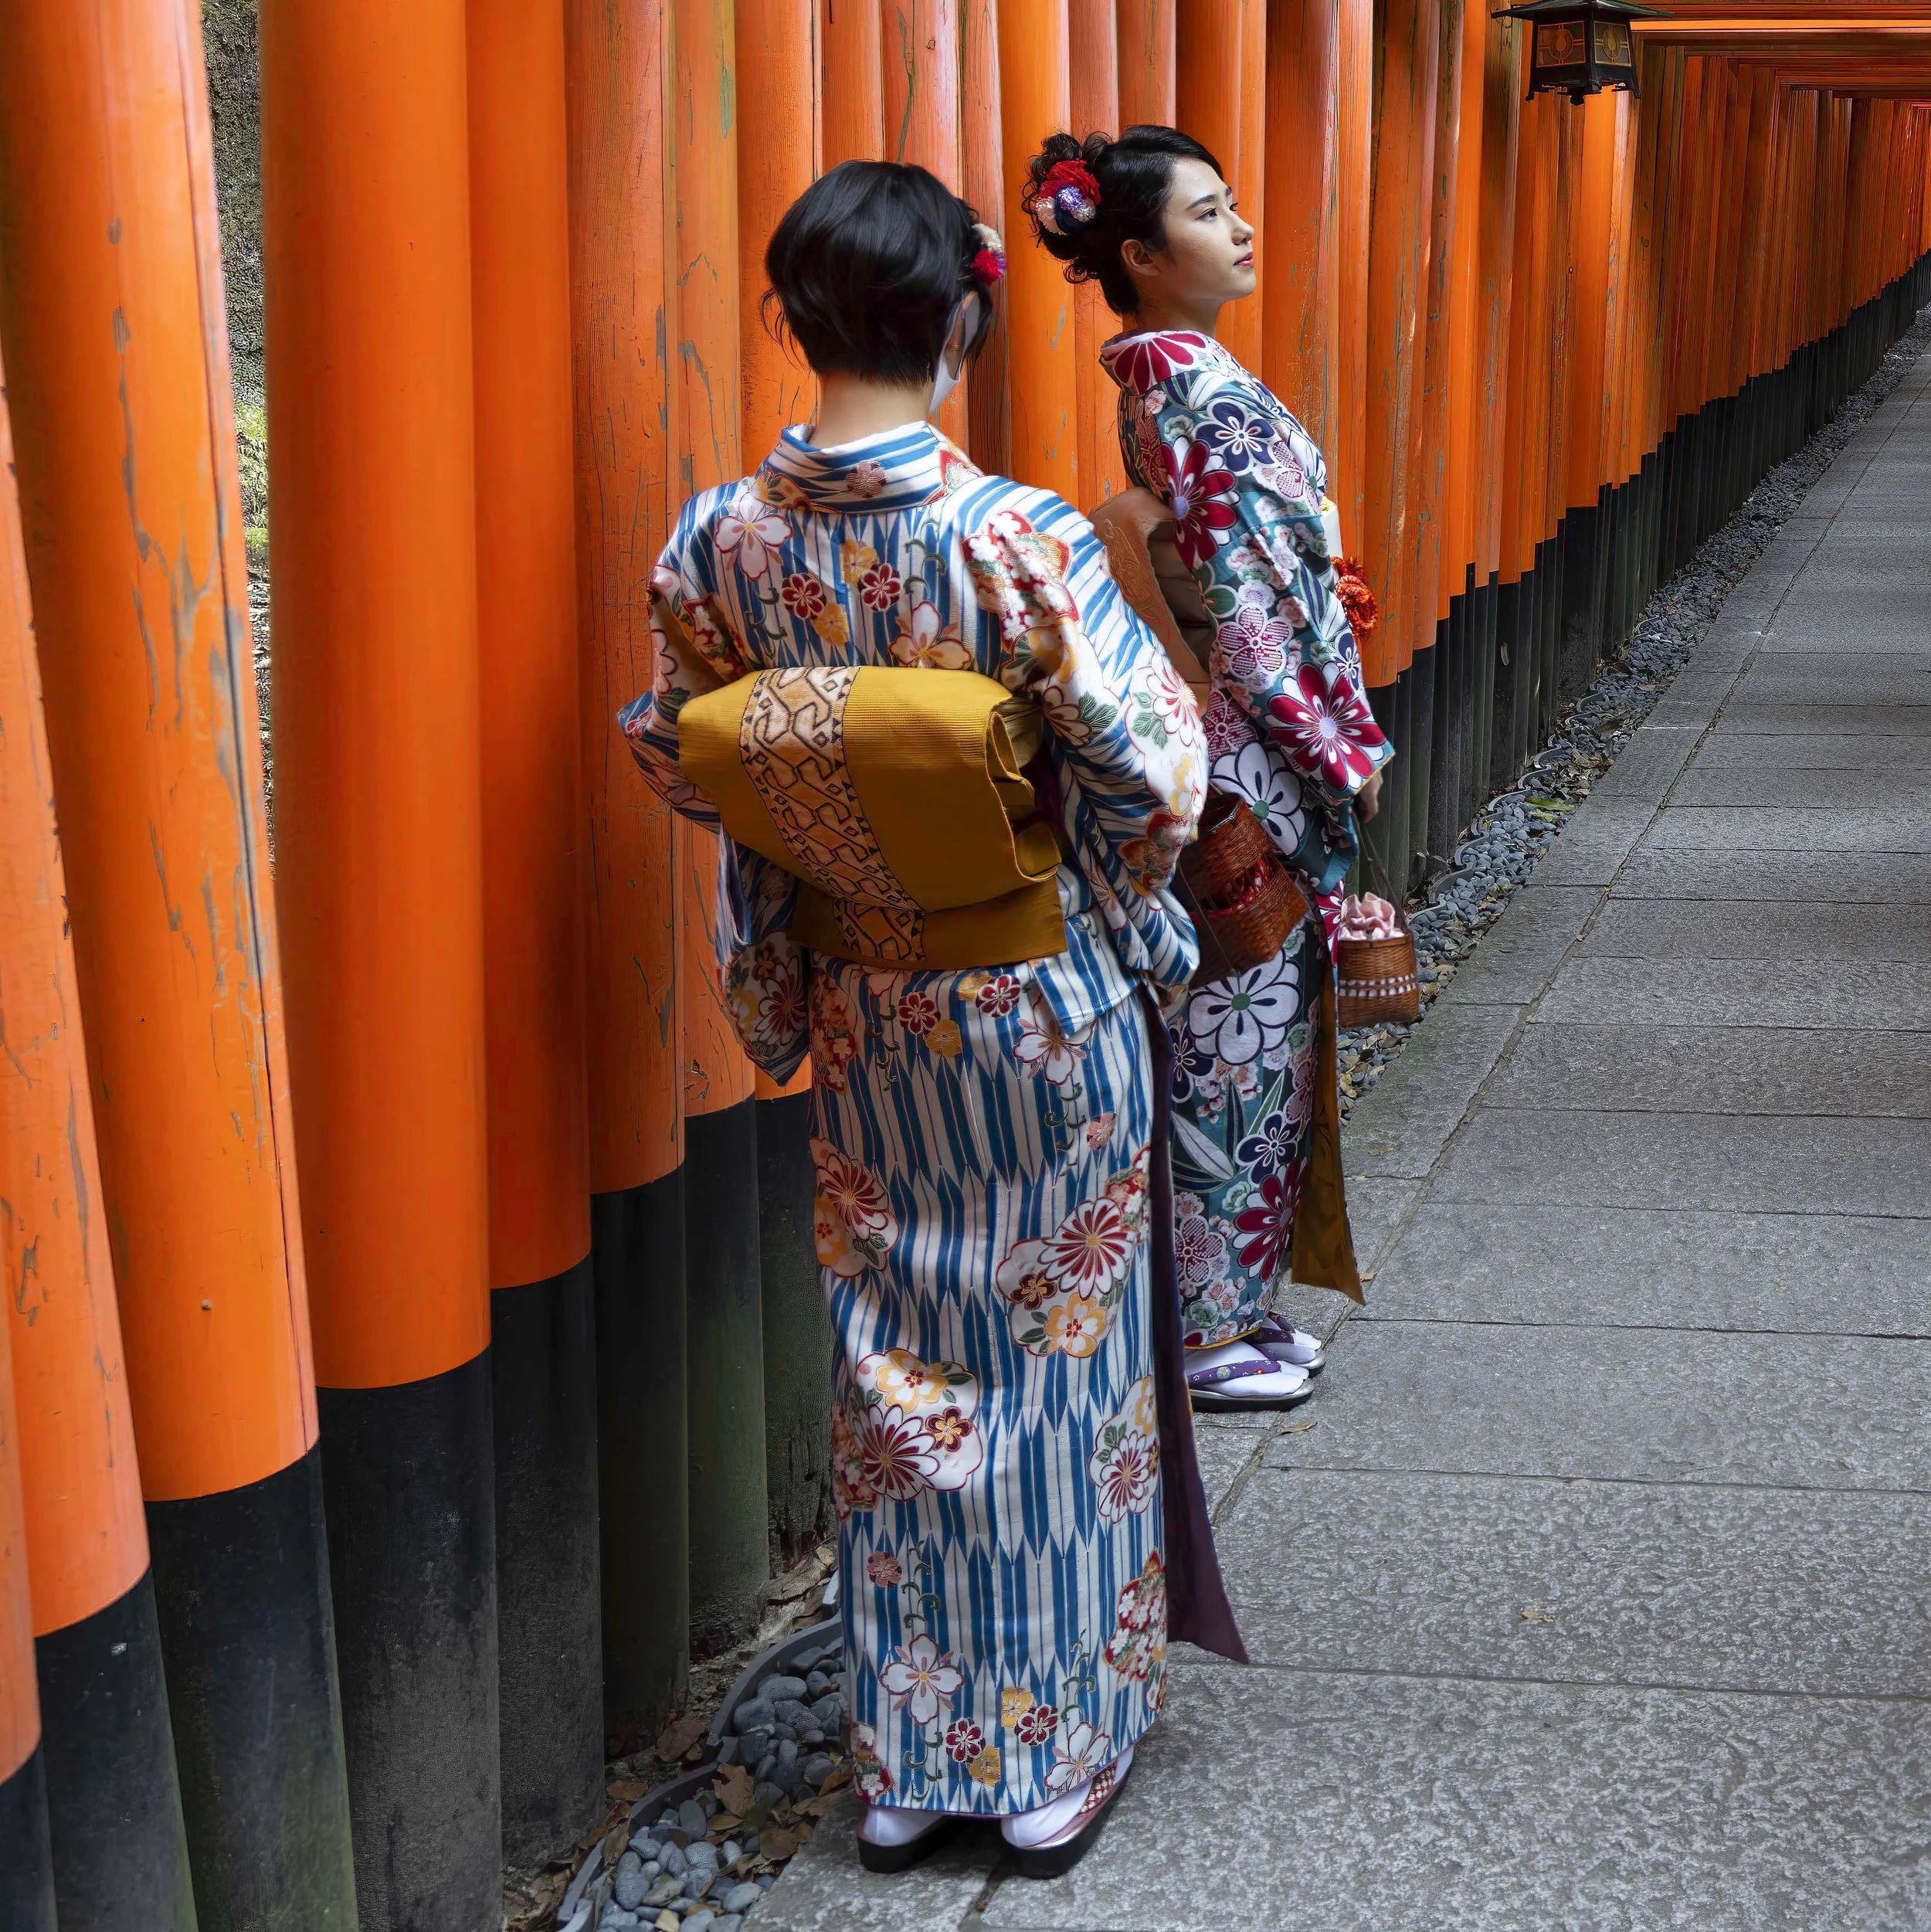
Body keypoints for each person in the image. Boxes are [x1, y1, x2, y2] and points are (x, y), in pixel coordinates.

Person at [619, 160, 1242, 1879]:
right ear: (963, 319)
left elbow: (686, 748)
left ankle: (911, 1754)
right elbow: (1154, 771)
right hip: (1034, 996)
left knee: (894, 1356)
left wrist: (835, 823)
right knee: (1059, 1367)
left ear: (791, 315)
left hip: (868, 1004)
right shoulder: (1011, 534)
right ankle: (1040, 1751)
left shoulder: (712, 538)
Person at [1023, 127, 1393, 1412]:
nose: (1240, 228)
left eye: (1233, 205)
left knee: (1257, 1027)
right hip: (1252, 750)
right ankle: (1205, 1331)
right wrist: (1338, 739)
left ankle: (1233, 1306)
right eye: (1207, 212)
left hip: (1237, 735)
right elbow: (1249, 604)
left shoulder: (1175, 380)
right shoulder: (1194, 392)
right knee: (1239, 1032)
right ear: (1139, 254)